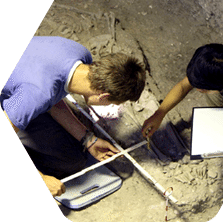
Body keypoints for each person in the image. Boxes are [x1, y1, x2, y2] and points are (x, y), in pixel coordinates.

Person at [0, 36, 146, 197]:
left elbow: (52, 98)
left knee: (72, 160)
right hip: (14, 99)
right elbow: (42, 94)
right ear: (103, 96)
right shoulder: (37, 93)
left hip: (21, 89)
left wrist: (88, 139)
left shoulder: (80, 55)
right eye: (112, 103)